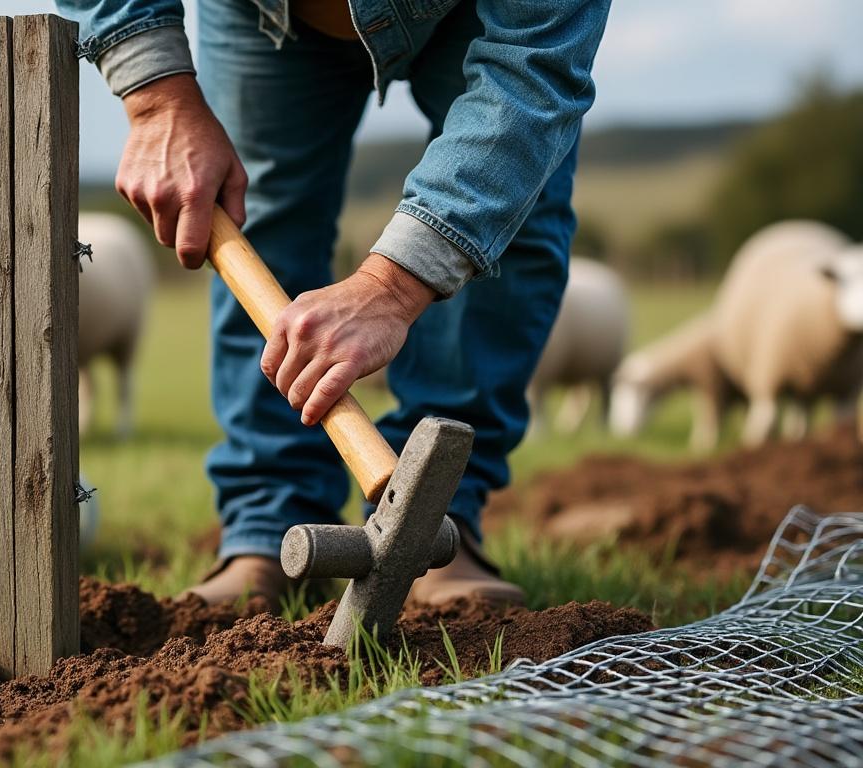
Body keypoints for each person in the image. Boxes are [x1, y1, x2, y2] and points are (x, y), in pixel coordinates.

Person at [57, 0, 612, 608]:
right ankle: (271, 527)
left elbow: (533, 70)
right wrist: (157, 98)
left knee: (516, 215)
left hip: (481, 12)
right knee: (259, 214)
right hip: (267, 13)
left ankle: (435, 520)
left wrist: (393, 287)